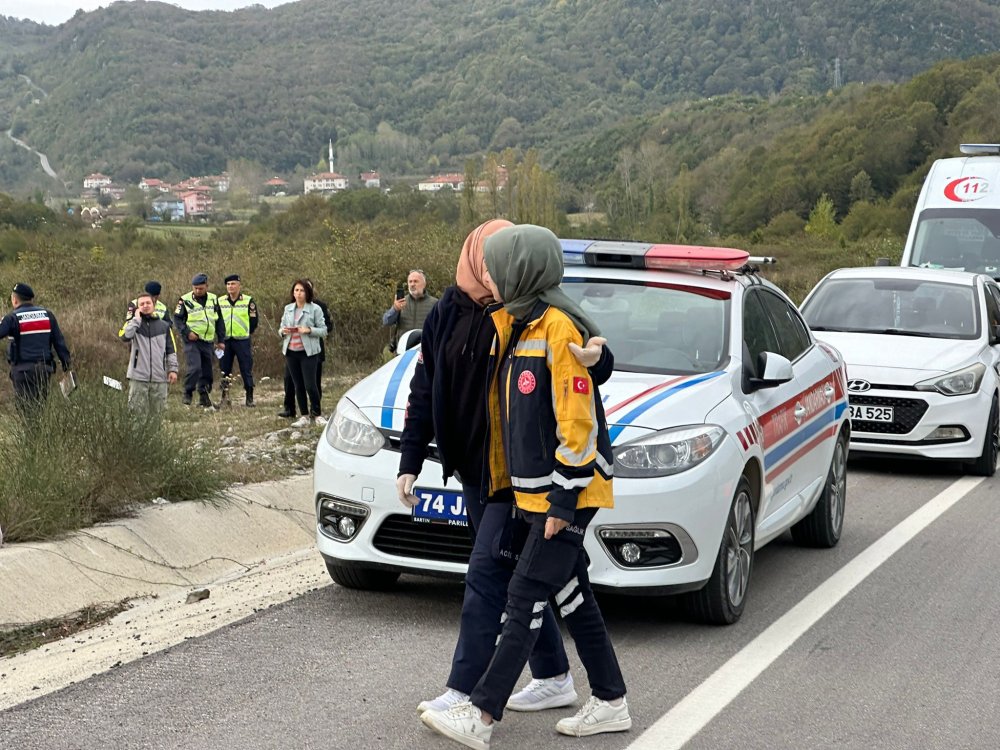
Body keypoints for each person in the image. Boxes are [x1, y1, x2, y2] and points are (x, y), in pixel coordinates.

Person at [421, 225, 629, 748]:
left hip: (567, 493)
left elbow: (577, 424)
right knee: (573, 594)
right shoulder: (516, 323)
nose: (489, 276)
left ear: (521, 271)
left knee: (524, 597)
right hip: (533, 492)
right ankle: (610, 701)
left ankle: (481, 714)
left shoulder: (557, 329)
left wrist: (563, 500)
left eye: (497, 268)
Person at [0, 282, 72, 419]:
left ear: (14, 299)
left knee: (26, 413)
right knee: (40, 409)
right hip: (44, 371)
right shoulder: (47, 315)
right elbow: (59, 343)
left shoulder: (12, 318)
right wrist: (66, 366)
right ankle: (39, 431)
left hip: (22, 372)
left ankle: (31, 432)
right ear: (31, 299)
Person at [119, 292, 178, 414]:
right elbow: (125, 336)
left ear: (153, 305)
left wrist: (173, 370)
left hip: (159, 378)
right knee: (137, 414)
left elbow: (171, 350)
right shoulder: (133, 324)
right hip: (138, 377)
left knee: (158, 415)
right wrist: (136, 320)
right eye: (142, 304)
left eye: (148, 303)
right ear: (137, 307)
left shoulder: (164, 326)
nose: (145, 306)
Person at [280, 279, 328, 427]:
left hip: (308, 352)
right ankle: (304, 416)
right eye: (296, 290)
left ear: (308, 293)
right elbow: (281, 327)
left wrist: (309, 330)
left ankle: (317, 414)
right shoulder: (288, 308)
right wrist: (283, 331)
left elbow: (324, 330)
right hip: (291, 351)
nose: (299, 293)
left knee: (310, 385)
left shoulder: (315, 309)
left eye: (302, 290)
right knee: (298, 385)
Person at [174, 273, 226, 408]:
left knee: (207, 372)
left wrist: (221, 340)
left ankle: (204, 396)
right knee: (195, 368)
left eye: (201, 288)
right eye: (195, 288)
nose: (198, 291)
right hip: (192, 341)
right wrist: (187, 332)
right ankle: (188, 393)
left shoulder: (213, 299)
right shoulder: (185, 300)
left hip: (208, 341)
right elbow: (177, 320)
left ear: (207, 286)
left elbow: (219, 320)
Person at [218, 274, 258, 407]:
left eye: (233, 284)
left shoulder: (248, 301)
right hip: (225, 340)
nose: (231, 287)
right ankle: (225, 398)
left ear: (239, 285)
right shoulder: (220, 301)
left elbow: (254, 320)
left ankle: (249, 397)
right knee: (224, 369)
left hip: (242, 341)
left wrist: (246, 332)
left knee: (246, 368)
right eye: (228, 284)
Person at [382, 269, 438, 351]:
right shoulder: (401, 302)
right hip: (403, 351)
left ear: (424, 284)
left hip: (425, 351)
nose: (412, 284)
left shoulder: (435, 304)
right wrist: (395, 309)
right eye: (410, 282)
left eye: (416, 281)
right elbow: (386, 321)